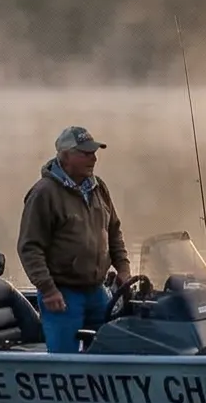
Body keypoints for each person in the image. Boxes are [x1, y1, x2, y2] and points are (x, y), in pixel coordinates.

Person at [19, 126, 129, 355]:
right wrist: (48, 290)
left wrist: (123, 269)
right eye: (86, 153)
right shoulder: (44, 193)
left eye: (94, 152)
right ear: (66, 155)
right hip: (62, 293)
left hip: (98, 291)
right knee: (64, 360)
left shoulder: (99, 187)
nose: (94, 158)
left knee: (110, 353)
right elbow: (30, 247)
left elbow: (114, 231)